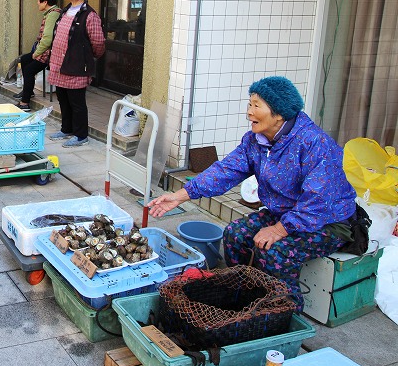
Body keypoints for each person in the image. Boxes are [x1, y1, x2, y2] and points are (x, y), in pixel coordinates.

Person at [147, 76, 357, 310]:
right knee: (235, 234)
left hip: (327, 222)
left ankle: (285, 309)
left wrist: (279, 230)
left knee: (275, 253)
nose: (249, 112)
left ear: (278, 113)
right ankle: (245, 297)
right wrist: (180, 195)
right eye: (250, 104)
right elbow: (225, 171)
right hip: (284, 214)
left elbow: (319, 201)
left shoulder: (315, 144)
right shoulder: (255, 141)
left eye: (257, 105)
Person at [47, 0, 106, 148]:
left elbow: (98, 43)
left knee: (77, 102)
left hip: (77, 66)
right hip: (59, 64)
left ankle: (81, 135)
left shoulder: (89, 15)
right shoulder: (65, 11)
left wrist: (87, 57)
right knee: (63, 99)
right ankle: (67, 129)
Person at [15, 0, 61, 112]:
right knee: (24, 59)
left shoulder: (53, 15)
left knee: (29, 70)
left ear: (45, 2)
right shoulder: (52, 12)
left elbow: (47, 39)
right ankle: (28, 92)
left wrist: (36, 53)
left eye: (38, 0)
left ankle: (24, 103)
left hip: (48, 54)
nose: (37, 3)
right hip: (44, 51)